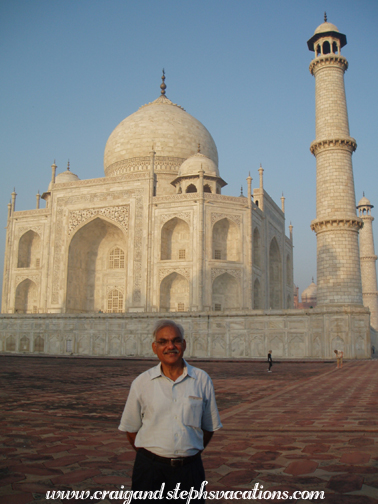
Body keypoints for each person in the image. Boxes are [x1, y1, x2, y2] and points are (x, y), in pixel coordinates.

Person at [119, 319, 222, 503]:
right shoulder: (142, 383)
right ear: (154, 347)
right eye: (163, 342)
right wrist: (152, 456)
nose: (170, 346)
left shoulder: (201, 380)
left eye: (175, 341)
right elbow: (131, 429)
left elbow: (209, 427)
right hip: (150, 471)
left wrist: (189, 450)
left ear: (184, 344)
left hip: (189, 470)